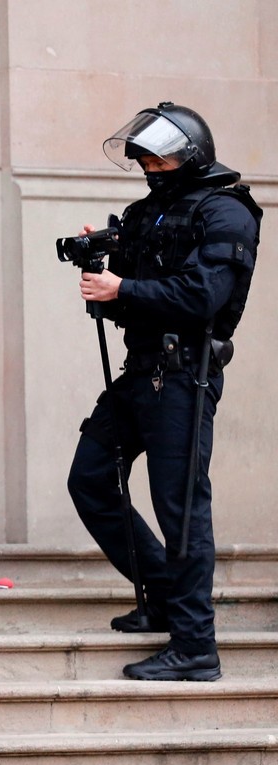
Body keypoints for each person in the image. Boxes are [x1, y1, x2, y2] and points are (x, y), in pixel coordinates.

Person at [66, 102, 262, 682]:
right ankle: (160, 590)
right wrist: (99, 261)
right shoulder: (146, 210)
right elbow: (124, 286)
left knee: (180, 509)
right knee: (91, 478)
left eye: (161, 155)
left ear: (192, 152)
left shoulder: (227, 212)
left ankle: (196, 646)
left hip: (185, 377)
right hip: (141, 370)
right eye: (145, 156)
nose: (151, 164)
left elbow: (201, 296)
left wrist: (121, 285)